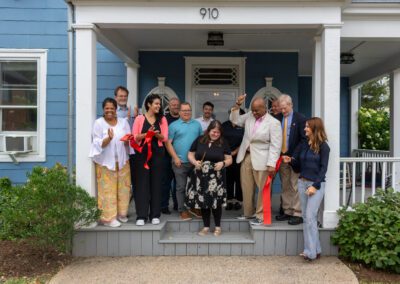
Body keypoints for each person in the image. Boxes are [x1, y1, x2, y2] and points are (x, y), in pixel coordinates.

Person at [282, 117, 330, 261]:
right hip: (302, 182)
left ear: (315, 128)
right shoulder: (305, 145)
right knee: (307, 218)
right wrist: (291, 161)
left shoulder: (324, 147)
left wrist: (315, 186)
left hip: (315, 185)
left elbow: (323, 169)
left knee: (310, 217)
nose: (305, 129)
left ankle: (310, 253)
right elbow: (299, 167)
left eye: (307, 127)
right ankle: (316, 249)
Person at [230, 94, 282, 225]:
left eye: (256, 110)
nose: (254, 113)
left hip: (263, 159)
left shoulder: (273, 123)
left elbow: (276, 145)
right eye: (252, 110)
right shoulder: (249, 116)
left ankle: (261, 216)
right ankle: (248, 213)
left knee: (263, 189)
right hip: (246, 156)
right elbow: (234, 120)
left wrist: (272, 164)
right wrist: (237, 105)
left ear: (264, 108)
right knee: (246, 187)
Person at [89, 98, 131, 228]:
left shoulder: (123, 122)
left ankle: (121, 214)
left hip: (123, 161)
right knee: (107, 190)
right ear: (103, 109)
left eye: (112, 108)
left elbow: (129, 139)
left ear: (115, 109)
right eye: (107, 108)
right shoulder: (99, 123)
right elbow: (97, 143)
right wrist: (109, 138)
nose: (109, 110)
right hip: (106, 163)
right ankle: (108, 219)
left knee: (124, 188)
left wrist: (126, 140)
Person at [186, 120, 233, 236]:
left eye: (218, 132)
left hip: (216, 177)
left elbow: (229, 159)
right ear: (208, 131)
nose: (216, 134)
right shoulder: (200, 140)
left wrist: (223, 163)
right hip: (201, 177)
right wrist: (194, 162)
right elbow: (190, 154)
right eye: (213, 132)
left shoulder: (223, 142)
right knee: (204, 202)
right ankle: (206, 227)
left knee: (216, 202)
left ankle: (217, 227)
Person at [132, 94, 168, 226]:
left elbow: (164, 138)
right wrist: (147, 134)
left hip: (157, 153)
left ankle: (155, 215)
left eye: (159, 104)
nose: (158, 106)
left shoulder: (162, 119)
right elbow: (135, 137)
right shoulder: (139, 119)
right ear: (149, 104)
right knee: (142, 183)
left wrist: (155, 134)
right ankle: (141, 215)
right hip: (142, 154)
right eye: (156, 104)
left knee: (156, 183)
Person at [165, 102, 203, 221]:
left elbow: (201, 142)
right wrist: (175, 158)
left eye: (188, 110)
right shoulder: (173, 126)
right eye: (184, 110)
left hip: (194, 162)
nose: (186, 112)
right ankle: (182, 210)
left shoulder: (197, 125)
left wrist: (199, 159)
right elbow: (168, 143)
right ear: (180, 112)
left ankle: (195, 207)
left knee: (196, 187)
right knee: (181, 187)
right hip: (179, 162)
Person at [275, 94, 307, 225]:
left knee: (295, 186)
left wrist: (293, 156)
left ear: (290, 105)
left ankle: (297, 213)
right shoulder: (277, 118)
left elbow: (303, 140)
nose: (283, 111)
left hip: (294, 158)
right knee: (285, 185)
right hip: (282, 158)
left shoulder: (300, 118)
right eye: (281, 109)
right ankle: (287, 211)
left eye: (284, 108)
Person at [114, 86, 138, 201]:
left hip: (132, 149)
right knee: (118, 179)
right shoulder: (112, 111)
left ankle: (126, 205)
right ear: (116, 97)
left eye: (125, 96)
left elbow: (136, 129)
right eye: (120, 96)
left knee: (129, 178)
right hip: (118, 150)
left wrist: (137, 117)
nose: (123, 98)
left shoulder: (133, 111)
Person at [222, 109, 245, 210]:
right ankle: (229, 200)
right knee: (228, 179)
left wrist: (235, 151)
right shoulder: (224, 125)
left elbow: (245, 140)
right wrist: (227, 152)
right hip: (226, 156)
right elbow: (221, 139)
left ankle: (239, 201)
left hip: (239, 155)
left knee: (239, 179)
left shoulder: (243, 126)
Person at [160, 97, 180, 214]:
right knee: (166, 183)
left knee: (179, 183)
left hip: (180, 156)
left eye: (177, 105)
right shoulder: (164, 120)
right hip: (166, 156)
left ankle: (178, 205)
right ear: (169, 106)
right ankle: (164, 206)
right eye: (173, 105)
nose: (175, 107)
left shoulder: (183, 119)